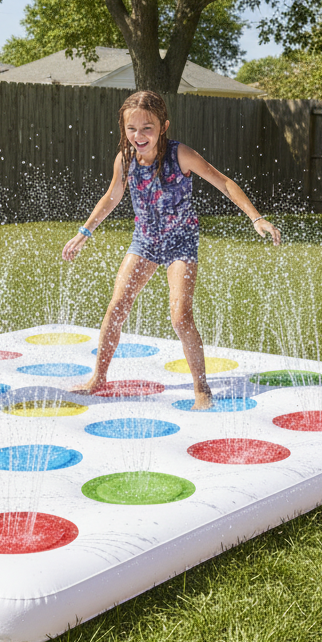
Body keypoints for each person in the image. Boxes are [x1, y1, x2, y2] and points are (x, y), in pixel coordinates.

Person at [62, 90, 281, 410]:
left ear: (163, 126)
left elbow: (224, 182)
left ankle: (201, 388)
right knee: (117, 306)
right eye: (131, 129)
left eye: (147, 128)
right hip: (145, 242)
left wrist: (256, 217)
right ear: (123, 128)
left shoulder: (181, 155)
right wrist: (84, 232)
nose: (139, 136)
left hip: (180, 243)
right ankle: (99, 378)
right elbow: (112, 197)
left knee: (180, 317)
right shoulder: (124, 160)